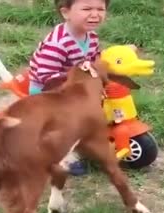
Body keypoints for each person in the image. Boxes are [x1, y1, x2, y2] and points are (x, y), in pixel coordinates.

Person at [27, 0, 109, 176]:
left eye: (100, 9)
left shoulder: (92, 37)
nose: (95, 14)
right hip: (47, 89)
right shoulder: (57, 44)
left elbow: (95, 59)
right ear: (66, 13)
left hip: (76, 83)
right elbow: (46, 76)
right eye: (87, 9)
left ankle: (87, 138)